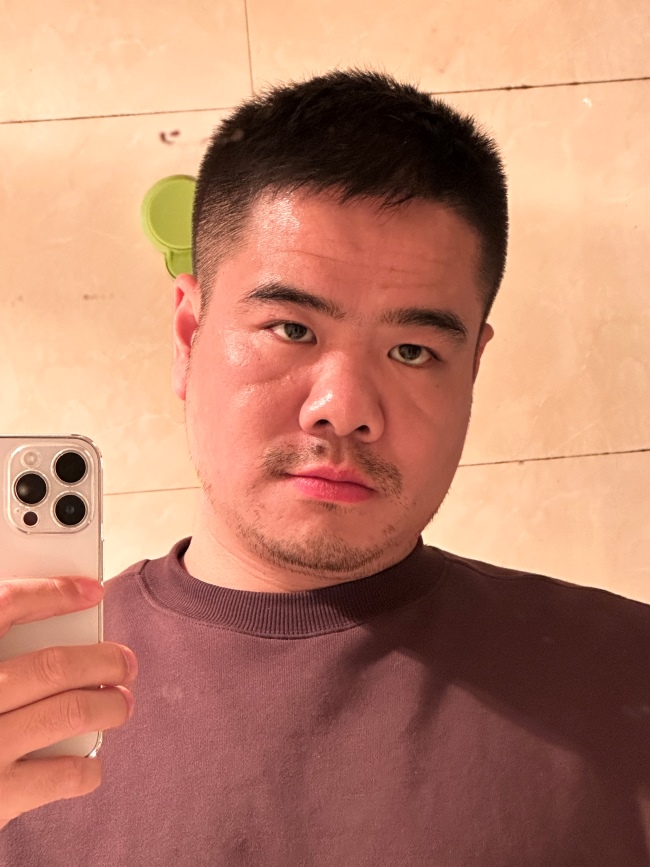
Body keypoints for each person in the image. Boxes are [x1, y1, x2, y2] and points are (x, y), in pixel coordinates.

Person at [1, 69, 649, 866]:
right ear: (189, 335)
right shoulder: (26, 706)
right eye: (292, 329)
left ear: (473, 368)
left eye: (412, 350)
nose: (343, 408)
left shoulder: (626, 678)